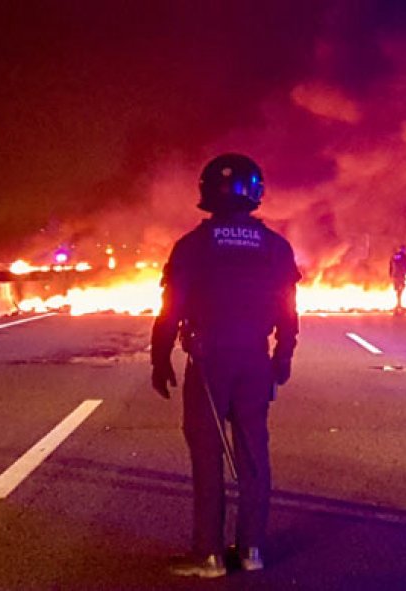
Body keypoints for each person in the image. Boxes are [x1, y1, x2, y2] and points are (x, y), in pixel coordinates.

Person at [151, 153, 301, 578]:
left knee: (207, 454)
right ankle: (253, 549)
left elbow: (171, 309)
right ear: (256, 193)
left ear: (206, 192)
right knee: (254, 454)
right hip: (254, 359)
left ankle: (210, 555)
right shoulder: (274, 246)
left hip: (208, 359)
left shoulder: (193, 245)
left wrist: (159, 358)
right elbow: (288, 310)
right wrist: (283, 355)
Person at [389, 245, 406, 313]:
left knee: (398, 289)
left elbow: (391, 265)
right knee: (400, 288)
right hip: (400, 275)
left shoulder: (394, 256)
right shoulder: (405, 257)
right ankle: (398, 305)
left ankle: (398, 305)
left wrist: (390, 274)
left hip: (395, 275)